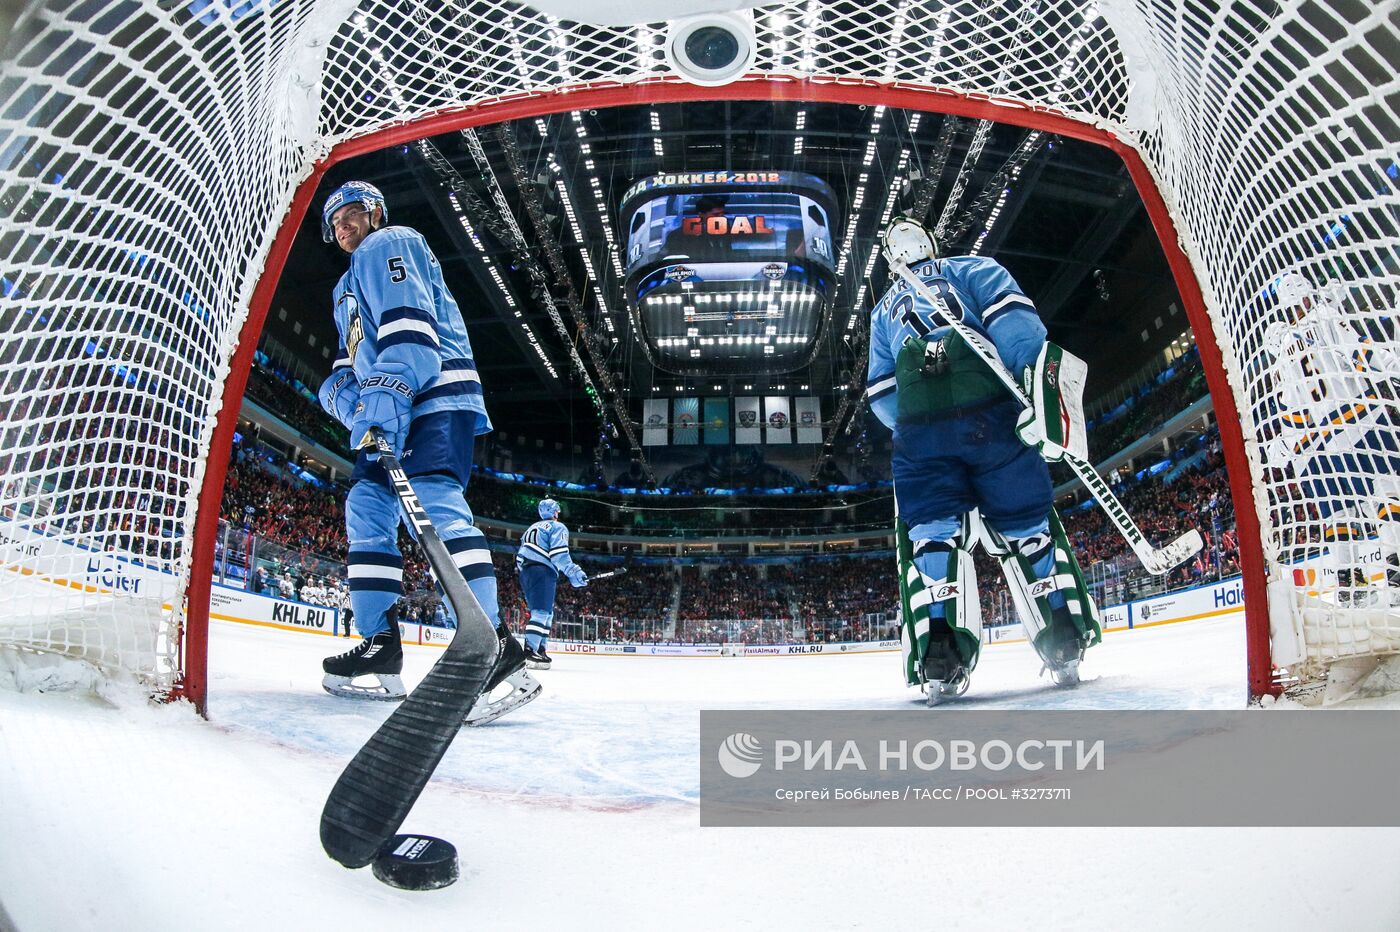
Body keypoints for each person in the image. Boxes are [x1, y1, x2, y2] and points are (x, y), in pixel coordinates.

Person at [314, 180, 539, 722]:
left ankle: (493, 648)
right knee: (367, 505)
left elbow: (411, 329)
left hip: (432, 393)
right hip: (385, 401)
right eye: (335, 225)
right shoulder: (344, 286)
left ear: (374, 212)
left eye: (350, 216)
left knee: (433, 499)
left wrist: (388, 391)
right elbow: (354, 360)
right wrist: (344, 394)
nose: (344, 229)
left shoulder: (388, 243)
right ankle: (379, 645)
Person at [866, 216, 1101, 704]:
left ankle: (938, 656)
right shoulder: (972, 267)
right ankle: (1063, 641)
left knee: (932, 534)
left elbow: (882, 393)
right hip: (989, 412)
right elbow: (1015, 327)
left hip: (918, 426)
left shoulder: (883, 310)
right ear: (928, 245)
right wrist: (1034, 392)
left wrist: (919, 428)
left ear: (892, 259)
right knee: (1026, 525)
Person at [1260, 271, 1400, 607]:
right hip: (1364, 417)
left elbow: (1293, 414)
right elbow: (1358, 353)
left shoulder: (1283, 357)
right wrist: (1392, 367)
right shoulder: (1322, 318)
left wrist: (1289, 449)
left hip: (1327, 442)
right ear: (1306, 294)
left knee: (1342, 514)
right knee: (1387, 488)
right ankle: (1396, 563)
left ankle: (1349, 582)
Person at [515, 498, 588, 669]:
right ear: (554, 512)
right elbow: (558, 555)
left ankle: (540, 649)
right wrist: (573, 571)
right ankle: (530, 651)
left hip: (526, 571)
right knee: (541, 613)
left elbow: (520, 556)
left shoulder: (530, 528)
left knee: (546, 613)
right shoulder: (558, 527)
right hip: (543, 570)